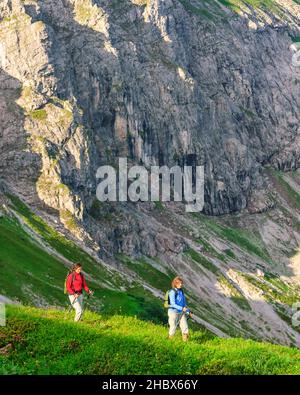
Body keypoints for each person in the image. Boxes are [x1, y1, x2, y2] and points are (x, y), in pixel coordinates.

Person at [168, 276, 191, 341]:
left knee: (185, 327)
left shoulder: (181, 291)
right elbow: (172, 304)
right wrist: (181, 308)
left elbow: (184, 304)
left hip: (181, 312)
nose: (180, 285)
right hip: (173, 312)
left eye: (181, 283)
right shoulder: (172, 292)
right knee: (173, 326)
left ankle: (185, 342)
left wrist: (188, 311)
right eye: (179, 283)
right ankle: (169, 340)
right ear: (175, 283)